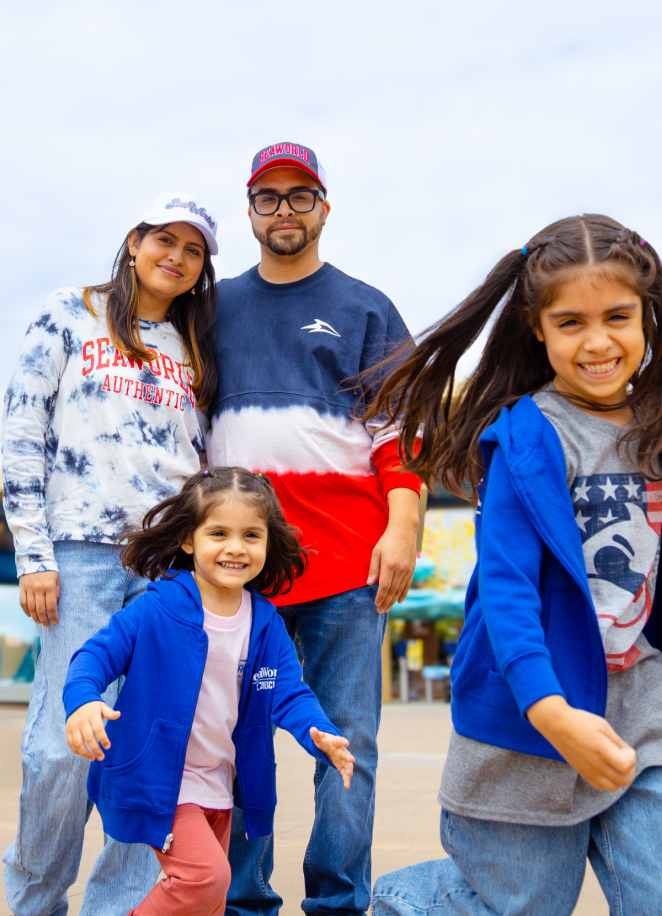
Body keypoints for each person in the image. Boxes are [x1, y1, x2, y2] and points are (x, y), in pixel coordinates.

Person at [361, 215, 662, 916]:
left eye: (618, 316)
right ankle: (406, 901)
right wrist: (549, 710)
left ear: (647, 314)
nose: (598, 342)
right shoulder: (527, 435)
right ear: (538, 328)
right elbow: (507, 589)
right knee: (522, 908)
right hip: (529, 705)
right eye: (571, 323)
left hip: (637, 708)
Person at [208, 143, 422, 916]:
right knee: (234, 742)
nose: (285, 210)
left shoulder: (367, 308)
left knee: (346, 744)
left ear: (324, 207)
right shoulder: (216, 306)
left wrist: (402, 527)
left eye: (301, 196)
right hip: (238, 567)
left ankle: (337, 901)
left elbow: (401, 433)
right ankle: (241, 898)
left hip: (345, 564)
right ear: (251, 210)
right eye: (270, 197)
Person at [0, 193, 221, 916]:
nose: (177, 257)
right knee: (60, 747)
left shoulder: (196, 343)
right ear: (134, 242)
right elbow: (22, 430)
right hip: (83, 556)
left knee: (145, 749)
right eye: (165, 240)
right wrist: (34, 553)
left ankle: (117, 908)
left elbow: (206, 456)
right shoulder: (70, 312)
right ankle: (36, 900)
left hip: (170, 568)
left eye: (193, 251)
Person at [63, 468, 356, 916]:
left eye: (251, 535)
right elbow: (93, 658)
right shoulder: (157, 607)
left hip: (219, 782)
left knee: (210, 901)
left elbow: (287, 693)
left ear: (267, 544)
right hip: (164, 779)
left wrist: (318, 730)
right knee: (205, 878)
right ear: (188, 540)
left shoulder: (265, 623)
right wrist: (83, 701)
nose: (236, 547)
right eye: (218, 532)